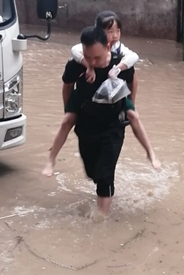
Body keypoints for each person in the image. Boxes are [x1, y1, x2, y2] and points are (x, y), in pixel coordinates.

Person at [43, 26, 159, 216]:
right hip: (87, 122)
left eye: (96, 58)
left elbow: (132, 79)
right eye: (88, 57)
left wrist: (131, 103)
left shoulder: (119, 65)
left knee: (105, 175)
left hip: (112, 124)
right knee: (92, 172)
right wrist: (68, 108)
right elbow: (67, 85)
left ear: (107, 47)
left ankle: (101, 218)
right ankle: (51, 159)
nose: (92, 62)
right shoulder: (77, 64)